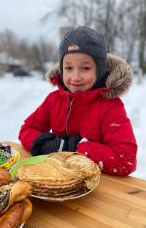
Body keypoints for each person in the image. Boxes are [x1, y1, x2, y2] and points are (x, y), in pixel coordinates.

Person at [18, 26, 137, 176]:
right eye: (68, 68)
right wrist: (43, 144)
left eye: (85, 68)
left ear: (99, 70)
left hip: (97, 185)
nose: (75, 77)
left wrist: (76, 149)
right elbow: (27, 129)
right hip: (56, 178)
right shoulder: (54, 100)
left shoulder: (110, 106)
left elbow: (126, 160)